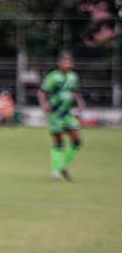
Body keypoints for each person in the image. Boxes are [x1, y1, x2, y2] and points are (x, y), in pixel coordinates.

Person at [38, 52, 86, 181]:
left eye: (69, 62)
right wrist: (44, 105)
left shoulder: (73, 77)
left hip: (67, 114)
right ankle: (56, 171)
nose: (67, 64)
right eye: (64, 62)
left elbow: (75, 91)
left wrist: (80, 102)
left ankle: (63, 165)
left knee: (77, 140)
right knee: (58, 143)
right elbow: (42, 91)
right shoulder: (53, 77)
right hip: (55, 114)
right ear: (59, 63)